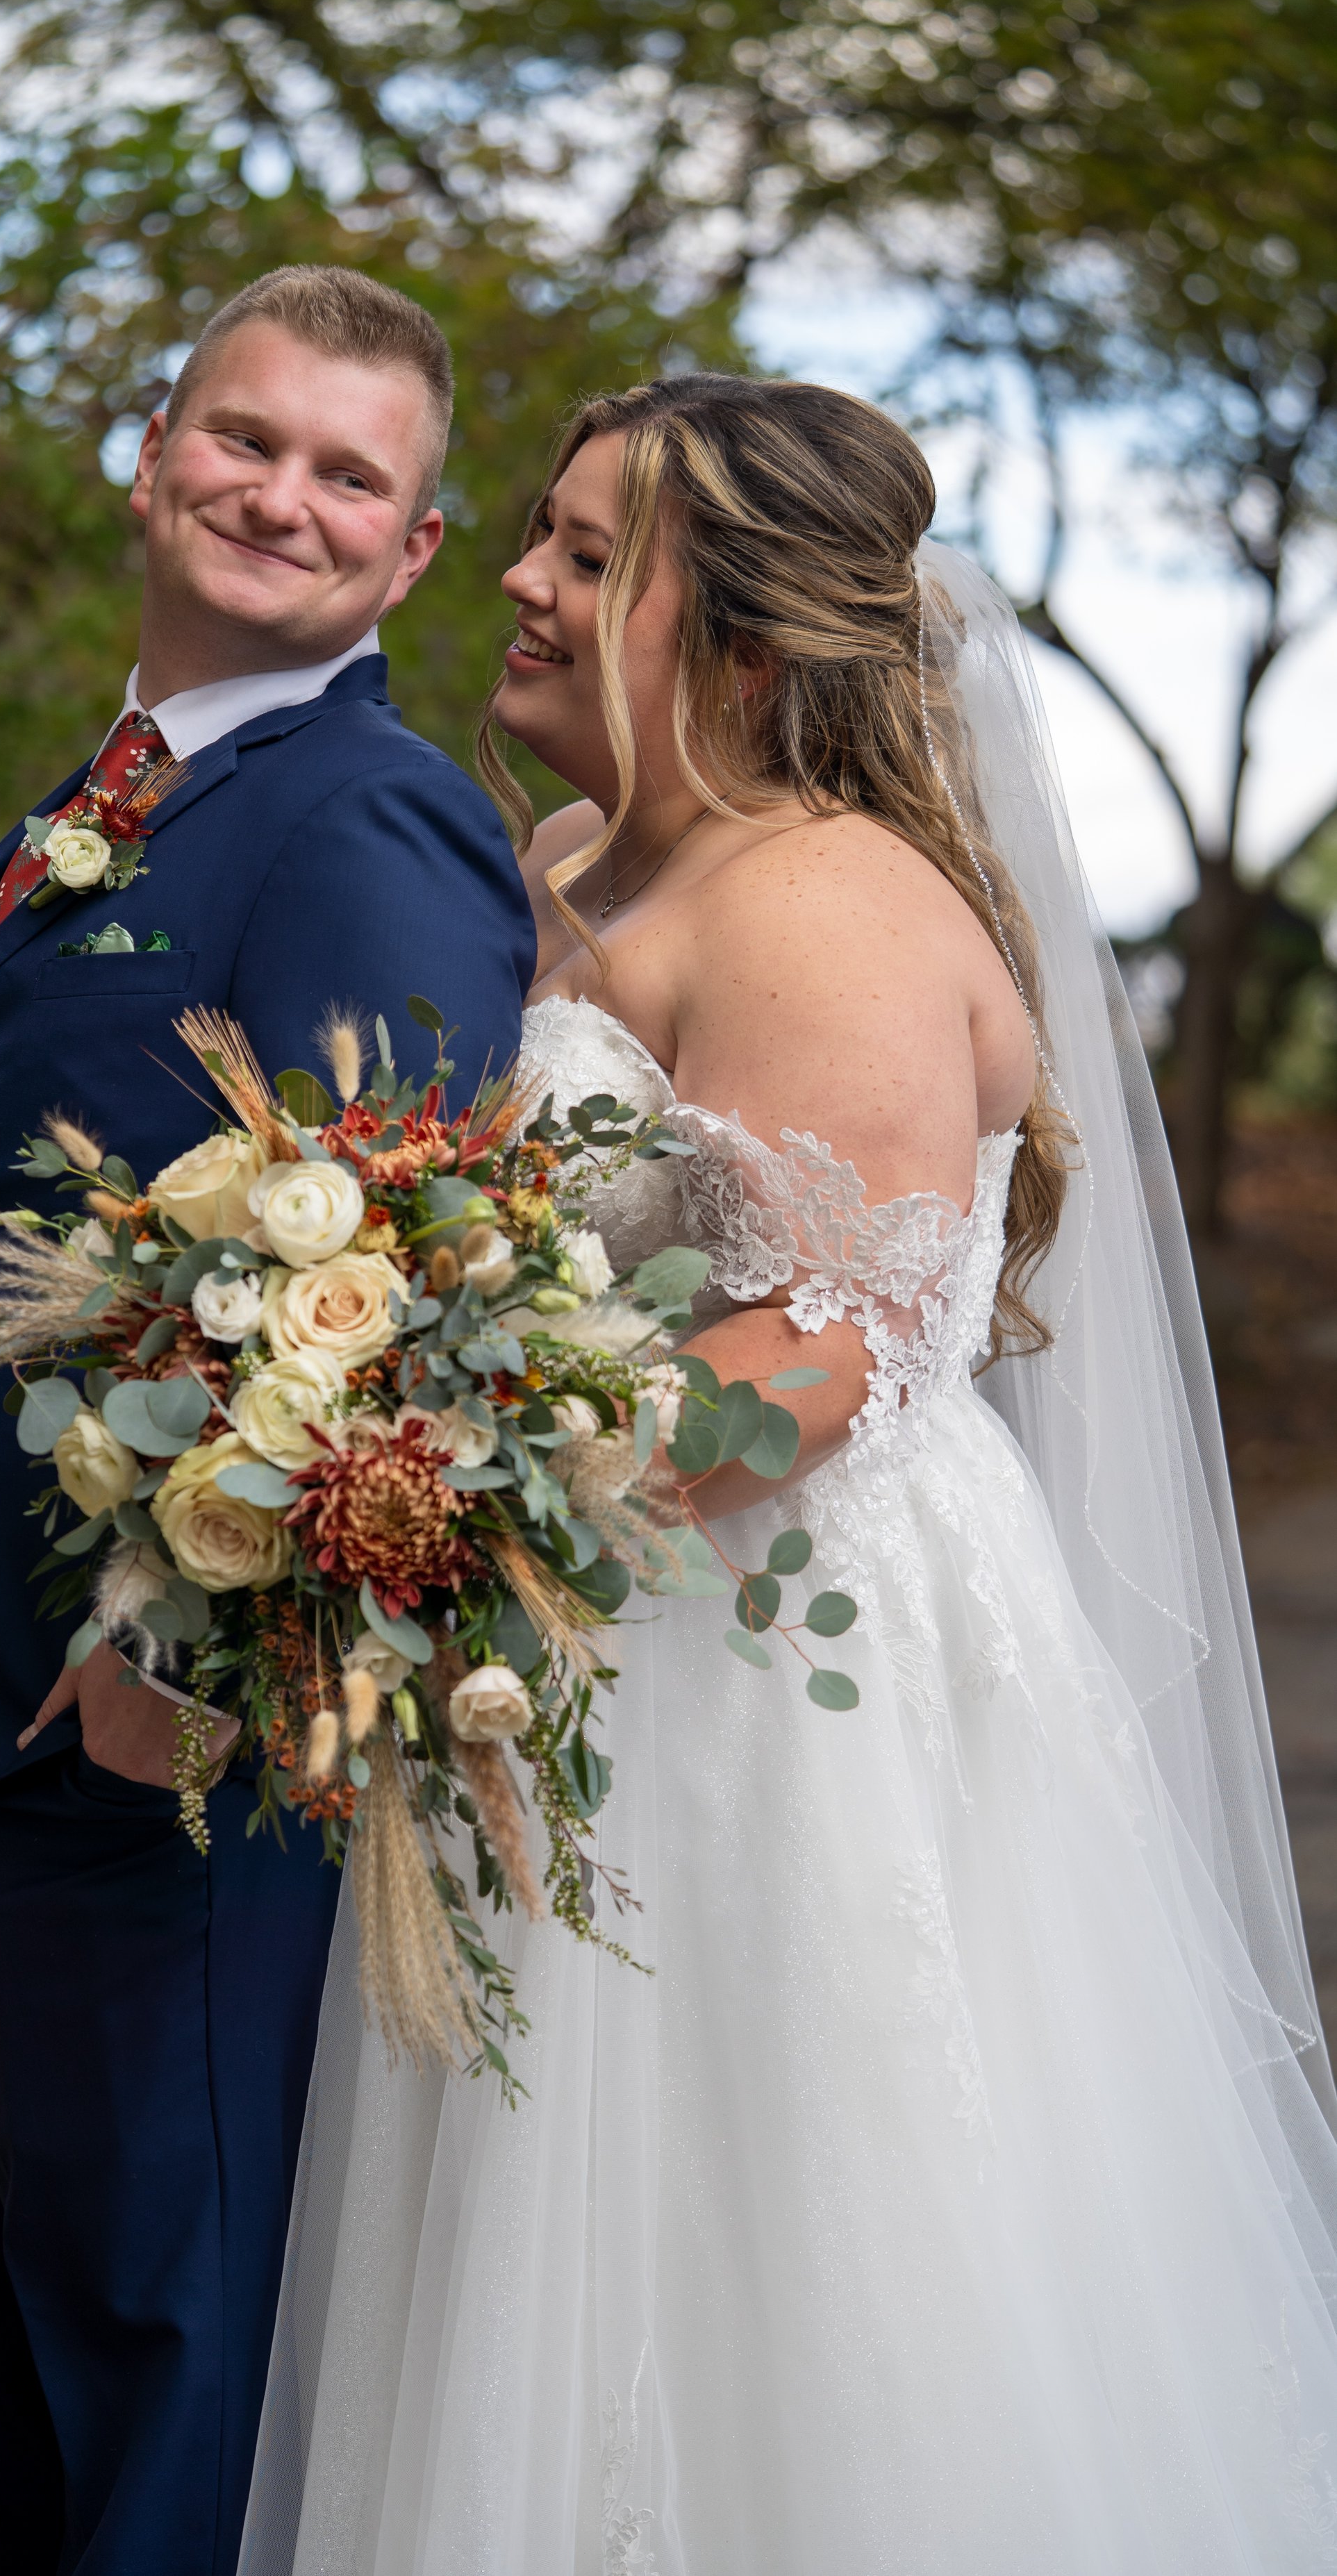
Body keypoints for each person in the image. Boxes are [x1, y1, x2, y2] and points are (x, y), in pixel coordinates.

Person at [237, 376, 1337, 2572]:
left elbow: (829, 1346)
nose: (521, 585)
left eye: (577, 555)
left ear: (735, 643)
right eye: (539, 536)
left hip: (753, 1671)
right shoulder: (575, 858)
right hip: (572, 1625)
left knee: (771, 2231)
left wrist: (456, 1486)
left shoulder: (823, 904)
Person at [0, 265, 534, 2576]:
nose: (276, 497)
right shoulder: (102, 792)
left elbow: (381, 1280)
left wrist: (186, 1662)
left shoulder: (368, 818)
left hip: (127, 1732)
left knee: (149, 2365)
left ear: (413, 555)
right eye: (242, 437)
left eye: (347, 476)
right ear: (150, 449)